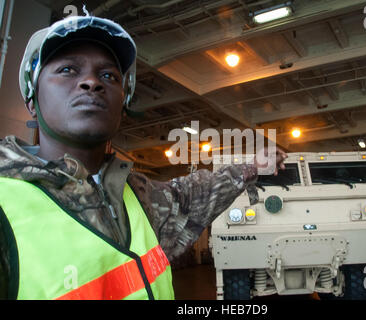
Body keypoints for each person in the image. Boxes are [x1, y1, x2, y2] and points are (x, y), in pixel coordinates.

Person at [0, 15, 287, 300]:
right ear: (32, 99)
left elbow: (194, 195)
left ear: (123, 105)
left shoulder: (140, 196)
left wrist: (254, 166)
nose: (90, 82)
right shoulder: (5, 206)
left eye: (108, 76)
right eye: (67, 70)